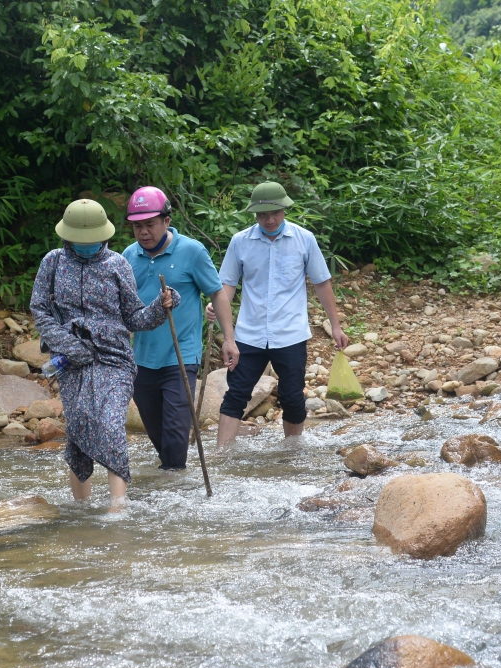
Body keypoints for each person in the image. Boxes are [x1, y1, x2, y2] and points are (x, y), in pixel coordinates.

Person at [30, 199, 179, 508]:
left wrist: (160, 308)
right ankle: (82, 510)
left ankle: (117, 506)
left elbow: (134, 317)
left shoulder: (116, 264)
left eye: (92, 241)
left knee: (110, 425)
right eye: (79, 241)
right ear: (67, 236)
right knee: (79, 430)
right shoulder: (53, 263)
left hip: (115, 359)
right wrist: (70, 346)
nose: (86, 245)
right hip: (71, 363)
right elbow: (41, 311)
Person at [206, 181, 348, 448]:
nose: (269, 220)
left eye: (275, 213)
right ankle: (220, 457)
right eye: (262, 215)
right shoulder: (240, 242)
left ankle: (292, 453)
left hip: (290, 333)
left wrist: (336, 326)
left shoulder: (304, 239)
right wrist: (217, 305)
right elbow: (227, 285)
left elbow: (322, 283)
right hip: (249, 334)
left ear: (285, 210)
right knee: (236, 394)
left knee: (292, 396)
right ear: (254, 214)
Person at [121, 186, 237, 471]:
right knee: (156, 429)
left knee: (175, 429)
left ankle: (173, 482)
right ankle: (172, 477)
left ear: (167, 221)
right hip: (141, 358)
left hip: (181, 354)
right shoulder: (127, 256)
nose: (143, 232)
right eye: (137, 226)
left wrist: (229, 340)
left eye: (150, 224)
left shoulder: (192, 251)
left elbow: (217, 293)